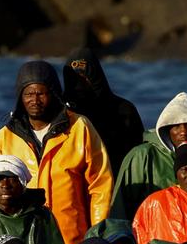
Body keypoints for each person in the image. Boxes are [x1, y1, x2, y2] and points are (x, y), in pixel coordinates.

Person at [0, 60, 113, 244]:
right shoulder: (6, 137)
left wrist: (96, 234)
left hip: (72, 240)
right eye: (28, 94)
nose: (35, 100)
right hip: (24, 242)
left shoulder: (79, 128)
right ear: (20, 97)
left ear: (53, 93)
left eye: (41, 93)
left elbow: (101, 185)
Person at [109, 92, 187, 221]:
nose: (183, 131)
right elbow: (120, 206)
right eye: (176, 126)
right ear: (166, 130)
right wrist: (120, 237)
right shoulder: (143, 155)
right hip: (149, 236)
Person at [62, 48, 145, 177]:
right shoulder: (60, 112)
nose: (80, 84)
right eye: (73, 79)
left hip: (116, 181)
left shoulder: (124, 109)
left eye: (84, 77)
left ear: (96, 76)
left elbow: (138, 155)